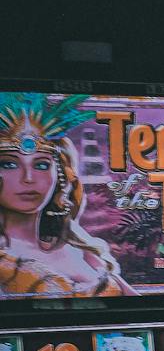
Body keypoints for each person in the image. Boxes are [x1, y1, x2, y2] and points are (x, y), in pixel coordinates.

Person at [0, 93, 132, 297]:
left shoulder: (82, 248)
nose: (28, 178)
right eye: (9, 164)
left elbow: (146, 313)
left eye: (42, 165)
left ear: (61, 173)